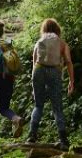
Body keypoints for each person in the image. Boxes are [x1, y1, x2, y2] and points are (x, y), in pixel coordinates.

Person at [26, 18, 75, 147]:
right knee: (57, 107)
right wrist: (71, 80)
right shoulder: (62, 43)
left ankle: (32, 136)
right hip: (54, 71)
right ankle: (63, 140)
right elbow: (68, 62)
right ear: (57, 29)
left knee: (38, 105)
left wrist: (33, 84)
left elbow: (34, 63)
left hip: (39, 70)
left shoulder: (39, 42)